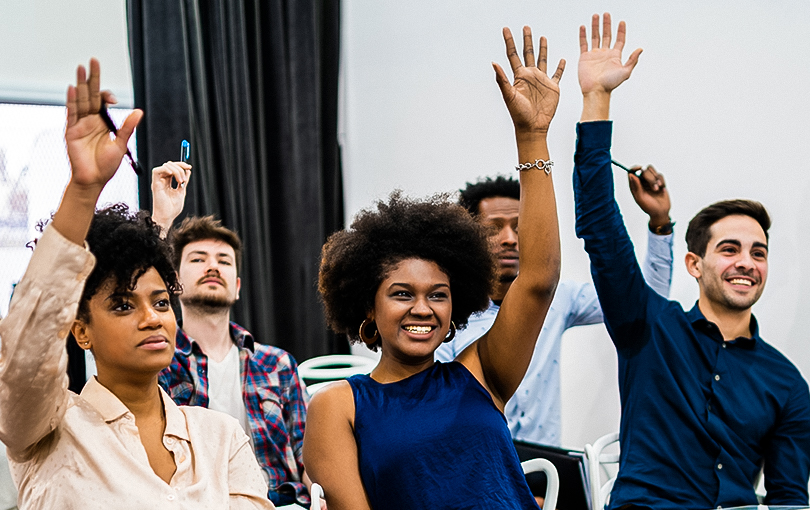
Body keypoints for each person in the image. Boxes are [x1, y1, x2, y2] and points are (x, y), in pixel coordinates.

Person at [304, 26, 564, 510]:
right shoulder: (337, 404)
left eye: (438, 294)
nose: (422, 308)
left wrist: (533, 138)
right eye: (402, 293)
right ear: (368, 304)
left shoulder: (481, 373)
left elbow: (538, 280)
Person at [0, 59, 273, 508]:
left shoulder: (219, 436)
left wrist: (159, 225)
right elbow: (29, 348)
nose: (152, 318)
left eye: (162, 303)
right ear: (81, 328)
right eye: (124, 306)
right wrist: (84, 191)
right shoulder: (48, 428)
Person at [573, 13, 810, 509]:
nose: (746, 262)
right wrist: (597, 101)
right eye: (729, 249)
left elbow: (789, 497)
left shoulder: (787, 383)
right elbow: (601, 230)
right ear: (693, 265)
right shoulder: (648, 326)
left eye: (758, 252)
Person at [436, 174, 673, 446]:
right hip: (475, 462)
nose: (510, 238)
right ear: (468, 237)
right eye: (493, 229)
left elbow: (642, 301)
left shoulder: (556, 297)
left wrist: (660, 224)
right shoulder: (447, 307)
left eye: (519, 226)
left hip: (545, 468)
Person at [152, 169, 311, 508]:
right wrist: (161, 219)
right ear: (175, 282)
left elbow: (308, 454)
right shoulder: (159, 363)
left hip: (283, 503)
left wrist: (321, 494)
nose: (213, 267)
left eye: (224, 261)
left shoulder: (278, 364)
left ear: (237, 287)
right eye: (198, 259)